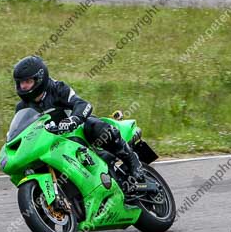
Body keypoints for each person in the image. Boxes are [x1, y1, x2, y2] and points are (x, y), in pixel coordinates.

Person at [12, 55, 144, 184]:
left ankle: (133, 161)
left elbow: (83, 104)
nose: (23, 86)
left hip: (76, 133)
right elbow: (22, 132)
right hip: (51, 144)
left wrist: (74, 119)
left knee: (95, 126)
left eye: (28, 82)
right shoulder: (22, 108)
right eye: (21, 82)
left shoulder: (57, 89)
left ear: (39, 79)